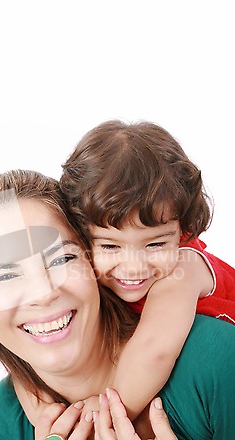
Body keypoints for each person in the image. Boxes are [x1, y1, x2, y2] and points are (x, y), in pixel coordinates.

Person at [0, 169, 235, 440]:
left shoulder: (212, 360)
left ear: (96, 267)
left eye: (63, 258)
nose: (43, 293)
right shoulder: (1, 423)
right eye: (5, 276)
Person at [60, 119, 235, 421]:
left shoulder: (184, 267)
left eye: (154, 245)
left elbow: (156, 350)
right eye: (110, 247)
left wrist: (106, 420)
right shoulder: (87, 279)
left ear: (182, 229)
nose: (134, 267)